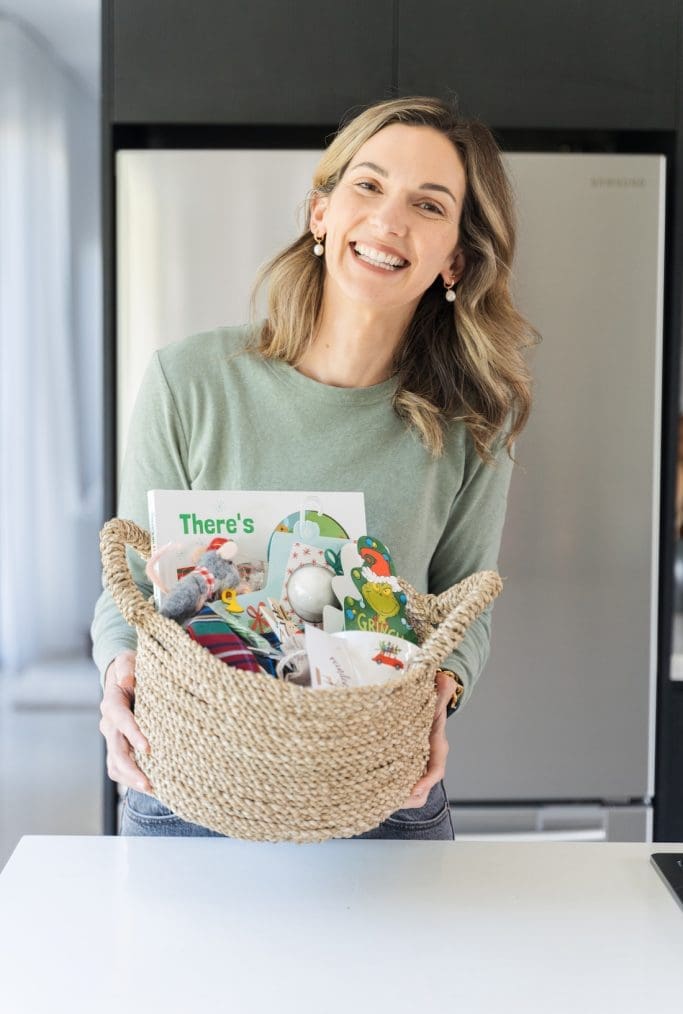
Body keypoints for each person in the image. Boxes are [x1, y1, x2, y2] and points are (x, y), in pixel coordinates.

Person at [91, 95, 538, 840]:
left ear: (455, 258)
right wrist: (116, 679)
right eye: (368, 186)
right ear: (319, 214)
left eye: (427, 205)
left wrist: (441, 694)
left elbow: (465, 607)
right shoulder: (189, 379)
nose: (390, 220)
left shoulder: (475, 423)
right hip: (188, 792)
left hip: (378, 794)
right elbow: (132, 590)